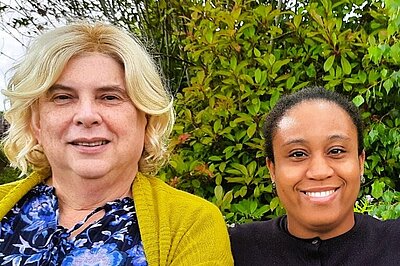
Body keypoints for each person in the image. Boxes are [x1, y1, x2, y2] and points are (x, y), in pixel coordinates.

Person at [0, 22, 233, 265]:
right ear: (36, 121)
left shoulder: (191, 224)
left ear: (146, 118)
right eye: (63, 98)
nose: (86, 115)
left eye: (110, 97)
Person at [229, 86, 399, 265]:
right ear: (272, 169)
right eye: (298, 154)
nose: (319, 172)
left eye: (336, 150)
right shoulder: (234, 250)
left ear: (360, 162)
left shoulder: (395, 243)